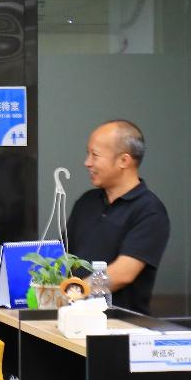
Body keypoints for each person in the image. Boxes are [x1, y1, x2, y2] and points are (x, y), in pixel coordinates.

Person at [66, 119, 169, 315]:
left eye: (95, 155)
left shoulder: (149, 211)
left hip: (119, 325)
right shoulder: (86, 202)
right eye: (88, 154)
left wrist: (73, 293)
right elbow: (62, 257)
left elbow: (123, 273)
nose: (87, 162)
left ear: (124, 161)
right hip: (72, 319)